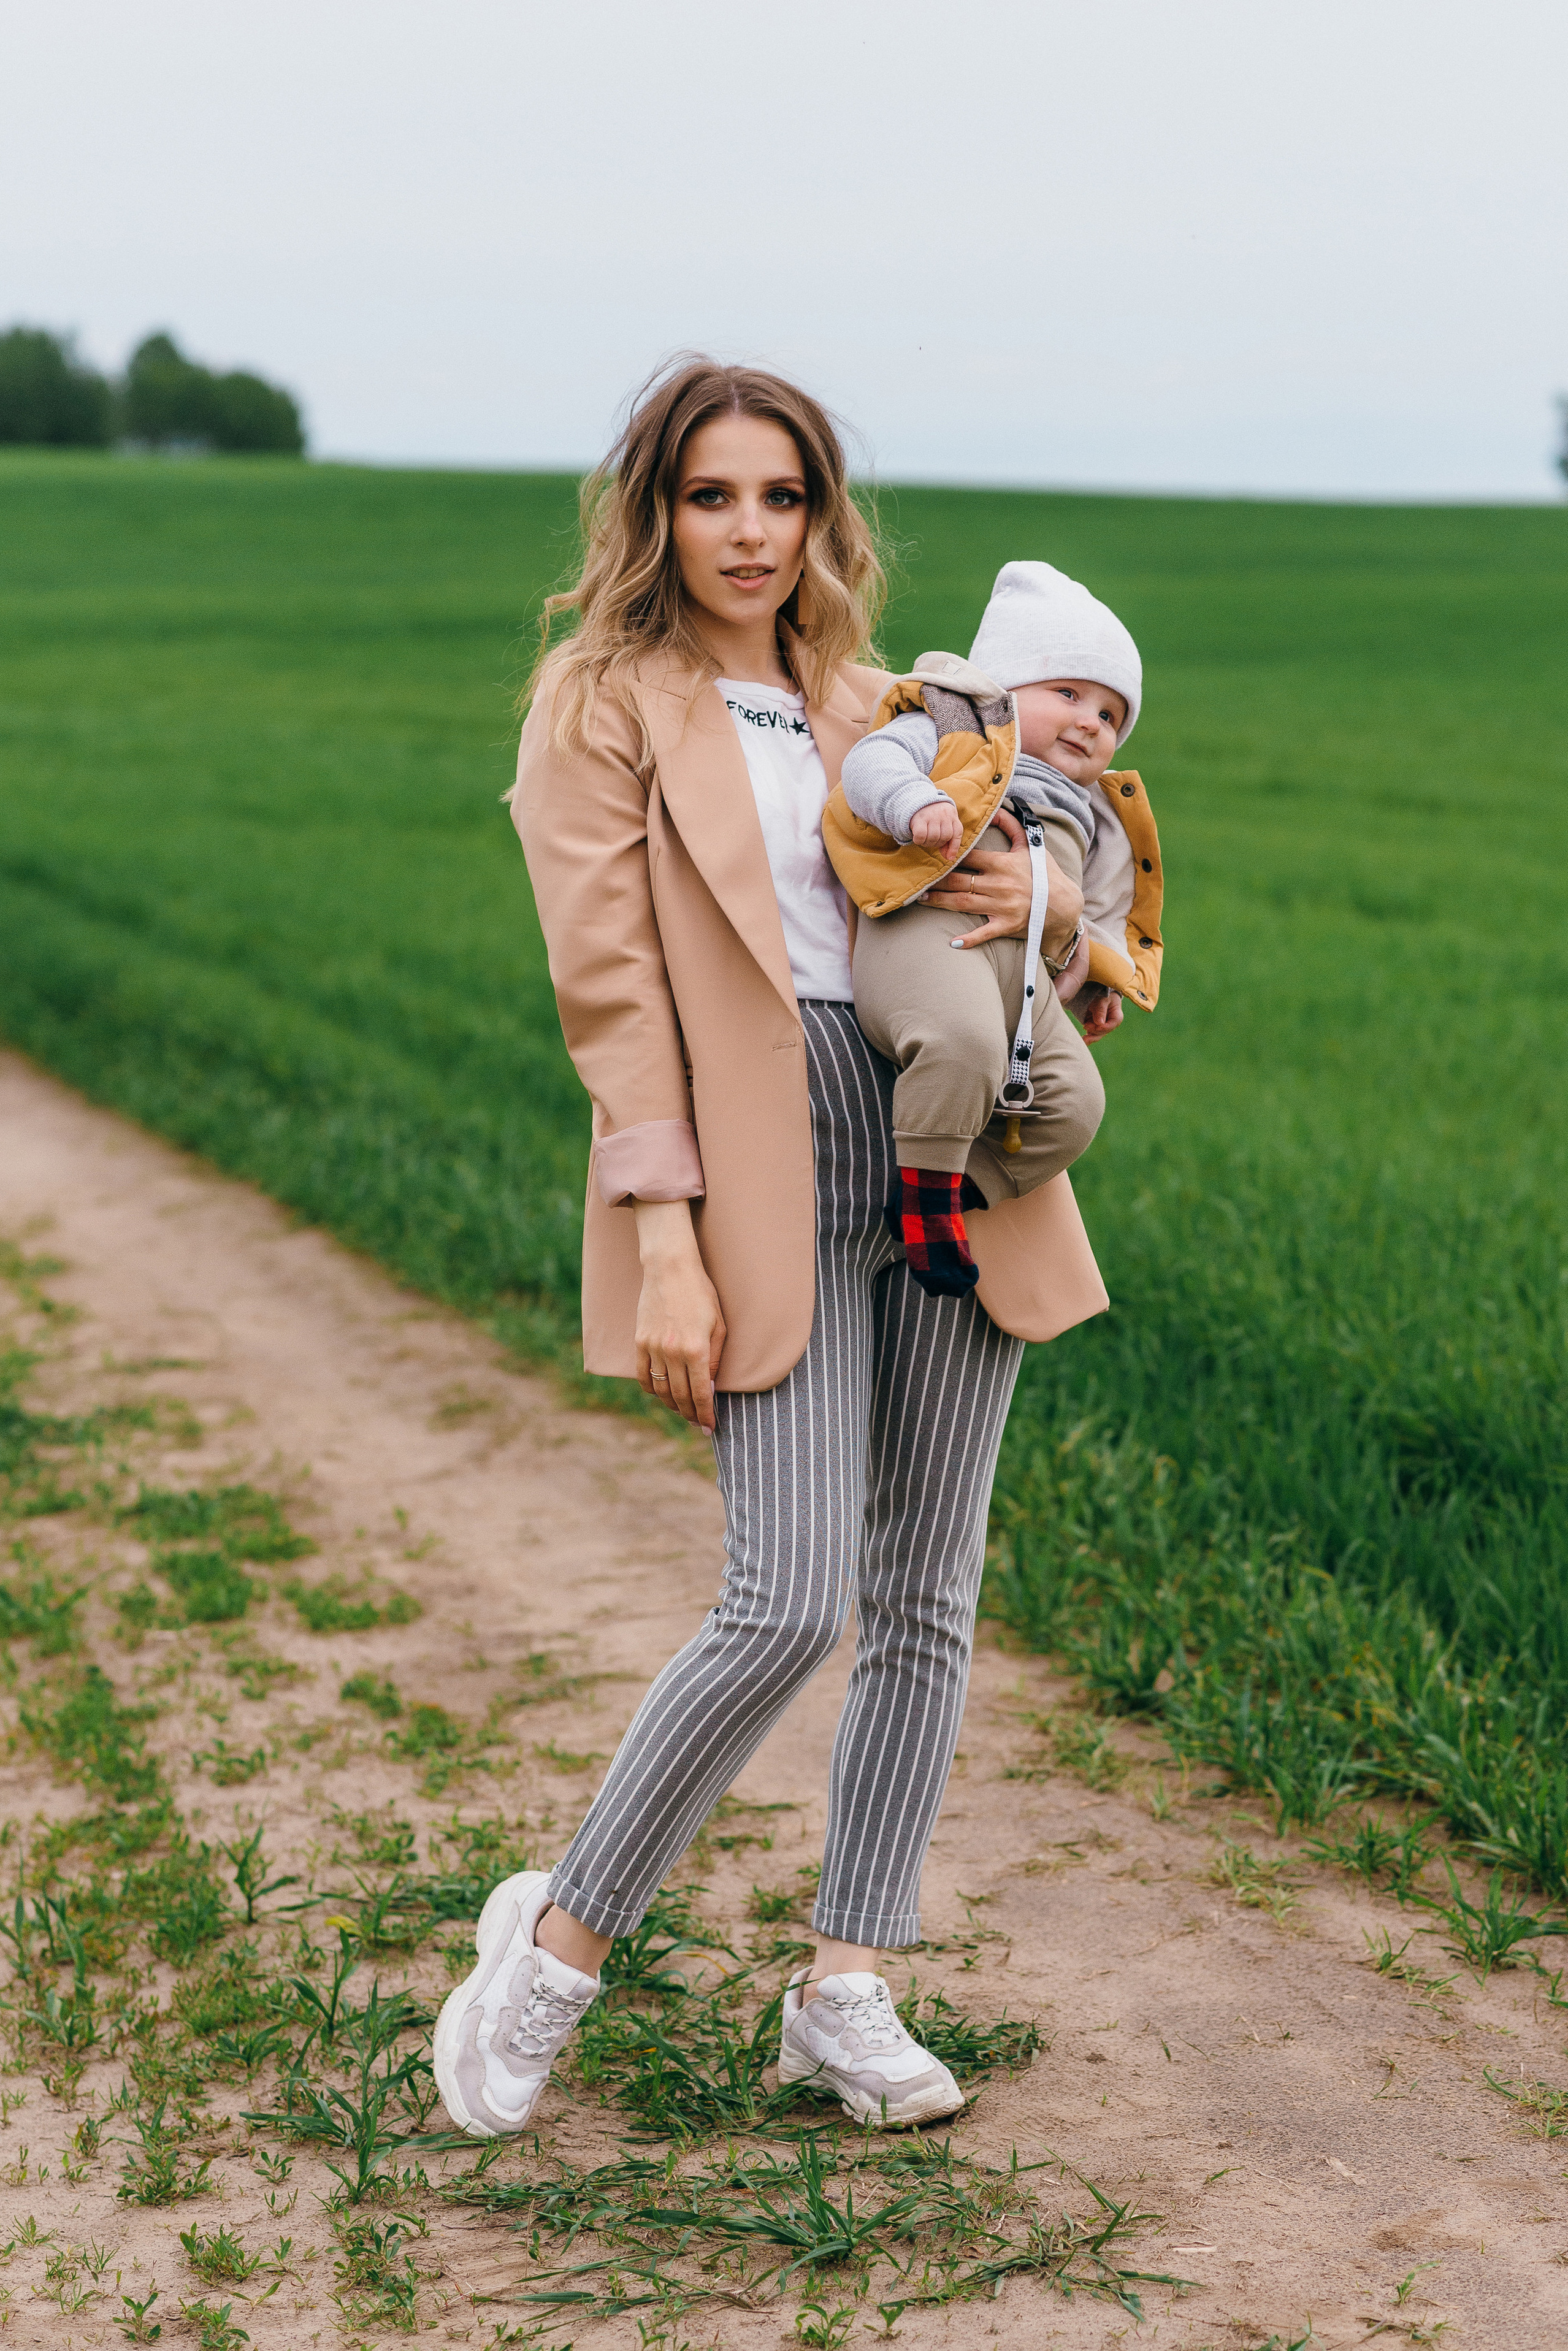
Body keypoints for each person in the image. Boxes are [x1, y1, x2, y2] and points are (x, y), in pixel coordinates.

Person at [432, 357, 1109, 2142]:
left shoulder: (883, 695)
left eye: (782, 496)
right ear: (655, 508)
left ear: (822, 517)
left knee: (927, 1597)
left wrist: (1041, 915)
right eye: (712, 495)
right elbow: (612, 991)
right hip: (754, 1151)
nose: (749, 532)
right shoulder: (599, 703)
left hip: (941, 1129)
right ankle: (559, 1949)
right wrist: (662, 1241)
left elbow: (1060, 858)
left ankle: (844, 1985)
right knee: (786, 1595)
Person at [828, 561, 1165, 1298]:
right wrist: (912, 803)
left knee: (1076, 1103)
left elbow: (1103, 904)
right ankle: (926, 1193)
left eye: (1111, 715)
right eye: (1068, 693)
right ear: (1005, 687)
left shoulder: (1096, 807)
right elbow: (872, 760)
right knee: (963, 1042)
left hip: (1028, 973)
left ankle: (944, 1193)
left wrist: (1101, 972)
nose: (1089, 721)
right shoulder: (958, 726)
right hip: (930, 932)